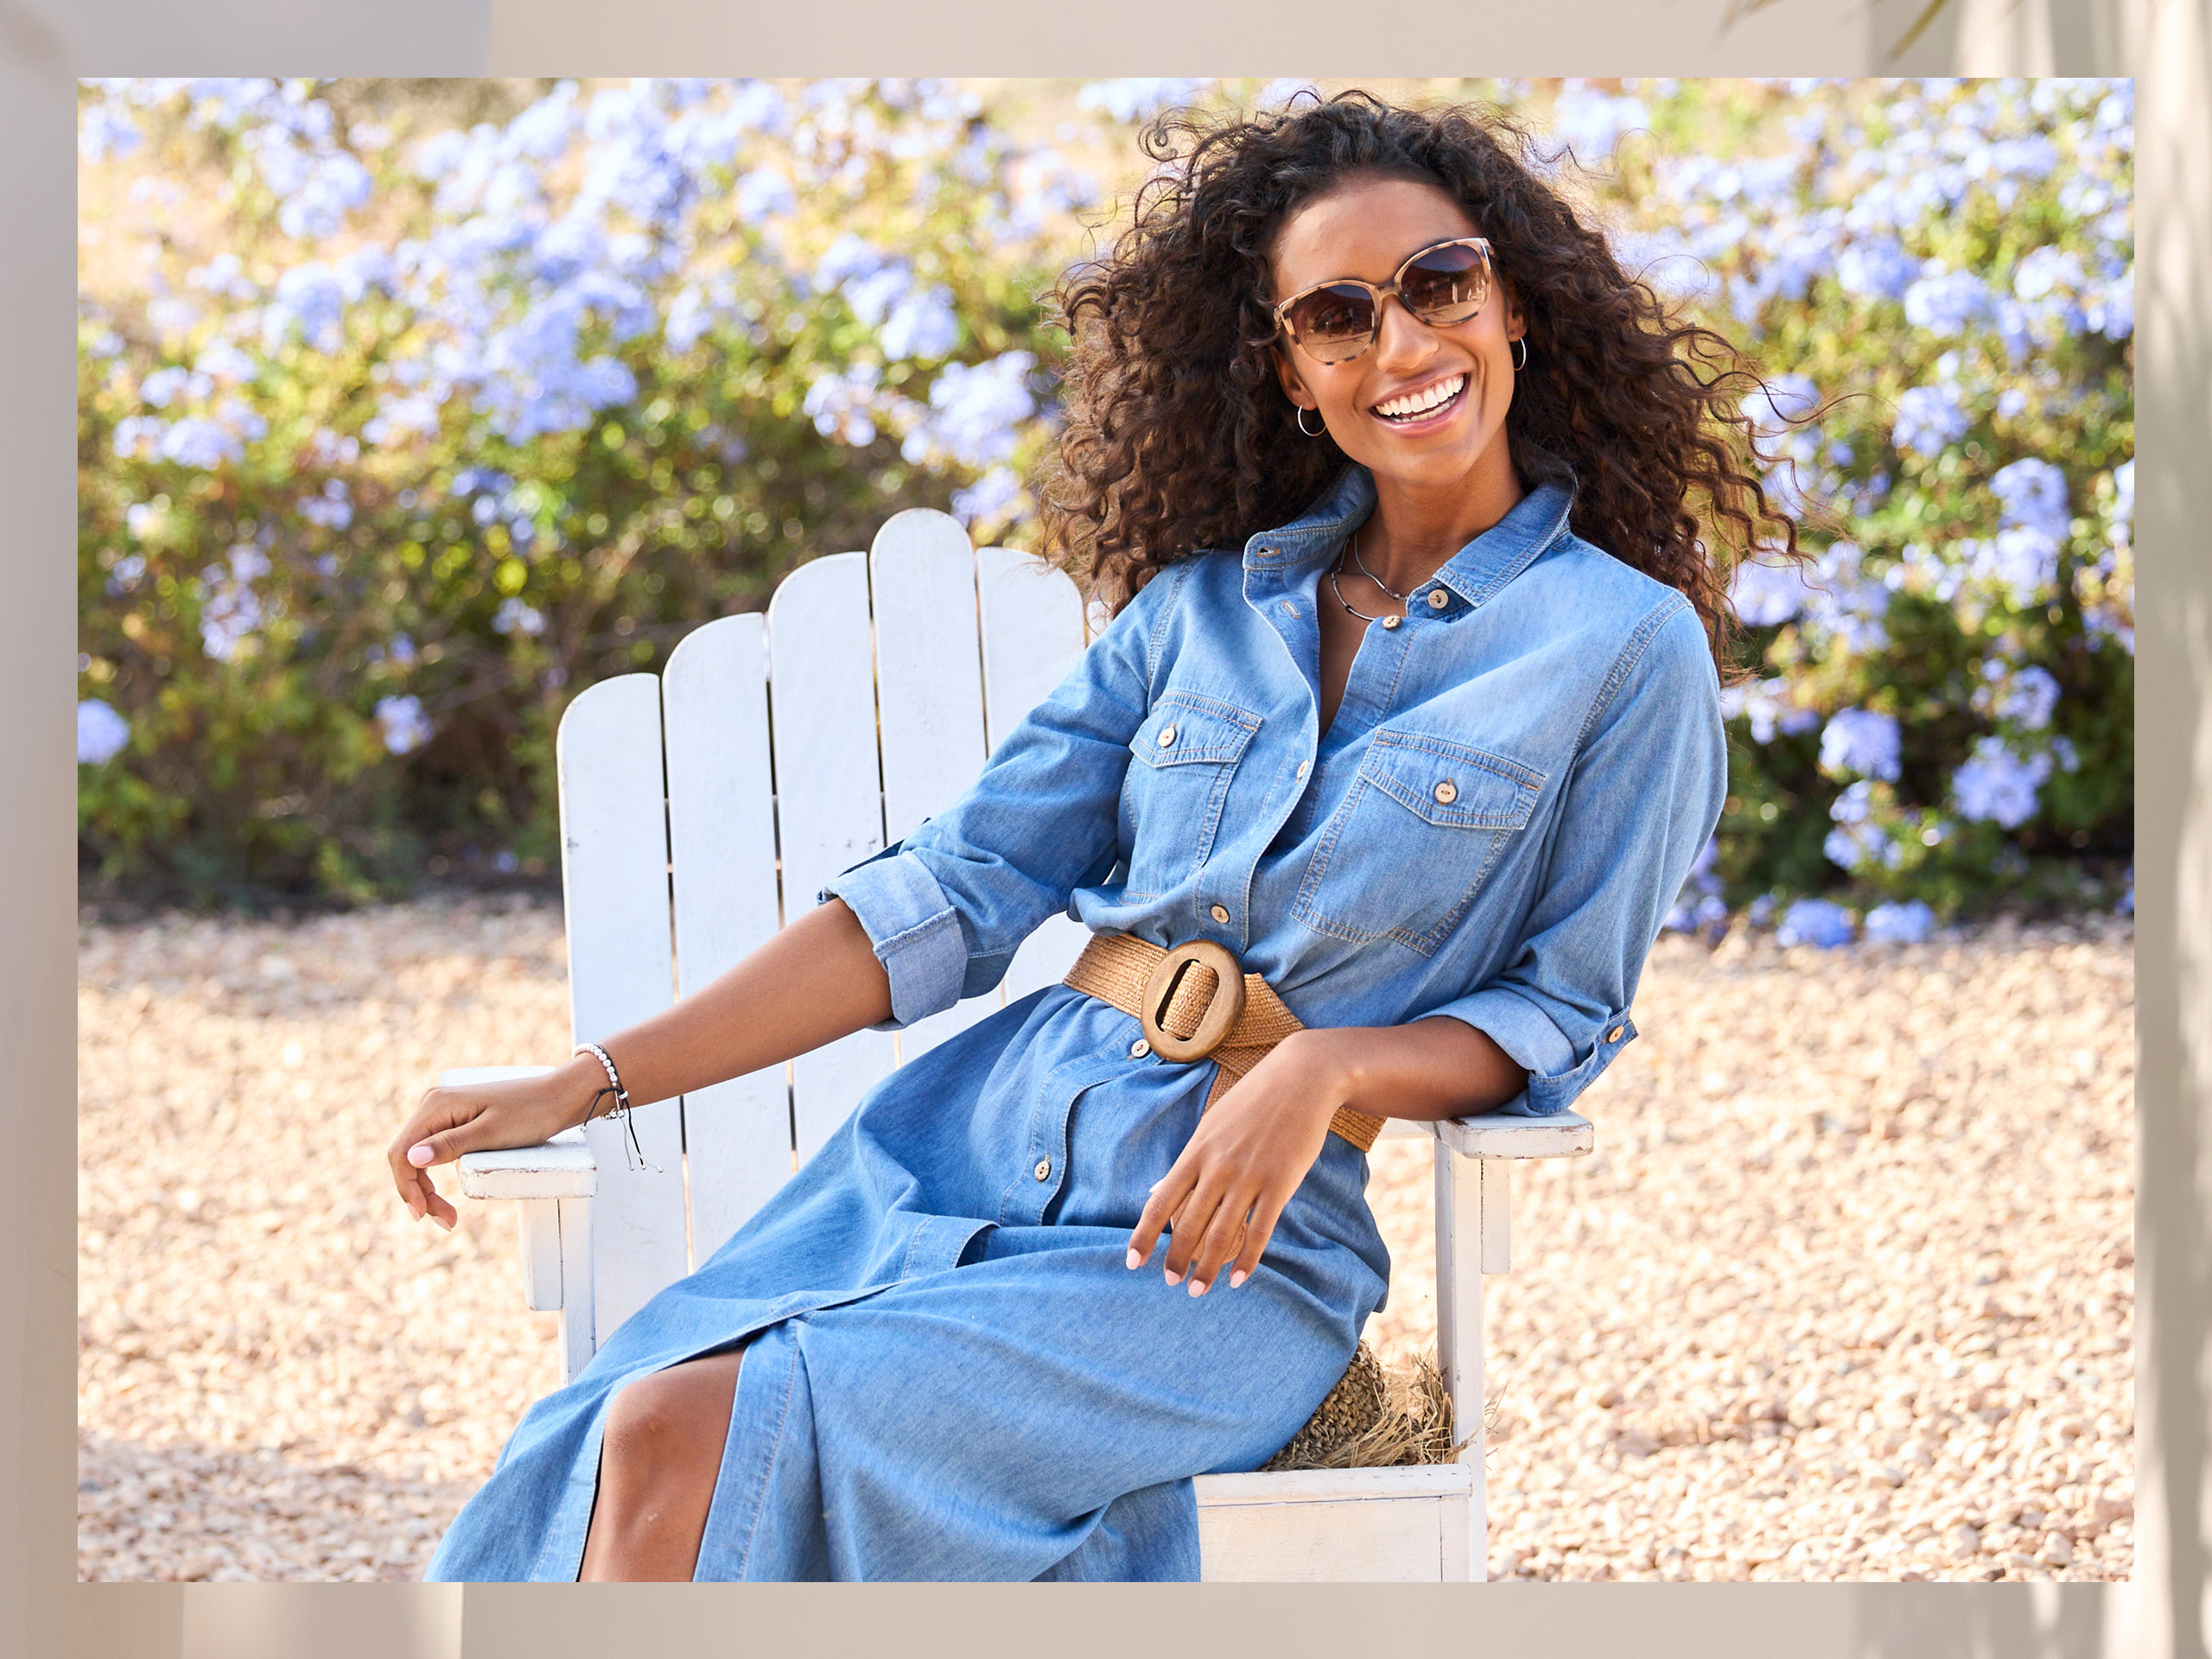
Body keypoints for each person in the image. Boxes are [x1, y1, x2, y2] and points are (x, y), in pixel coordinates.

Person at [393, 89, 1805, 1583]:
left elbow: (1563, 1010)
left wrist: (1328, 1064)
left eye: (1439, 285)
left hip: (1222, 1255)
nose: (1402, 346)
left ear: (1513, 303)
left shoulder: (1620, 650)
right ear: (1290, 374)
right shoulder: (1196, 615)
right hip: (957, 1157)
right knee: (618, 1430)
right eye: (1339, 316)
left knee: (683, 1430)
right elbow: (950, 892)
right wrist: (589, 1081)